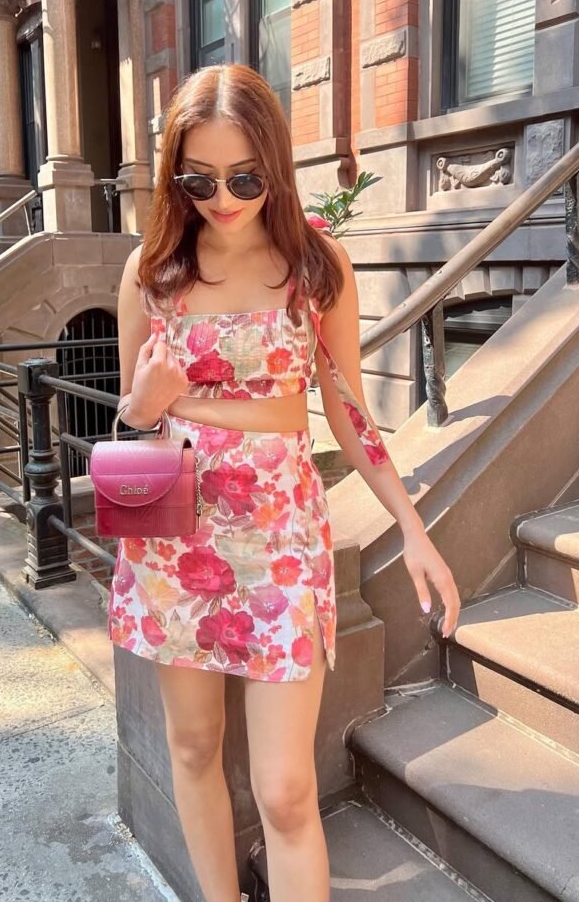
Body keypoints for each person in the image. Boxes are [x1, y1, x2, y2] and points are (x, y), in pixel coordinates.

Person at [110, 63, 460, 902]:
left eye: (245, 177)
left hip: (280, 541)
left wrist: (413, 527)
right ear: (174, 177)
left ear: (274, 164)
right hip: (173, 544)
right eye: (198, 180)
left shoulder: (313, 265)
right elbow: (132, 425)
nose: (223, 199)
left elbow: (349, 413)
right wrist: (144, 405)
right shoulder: (152, 273)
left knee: (286, 788)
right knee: (192, 747)